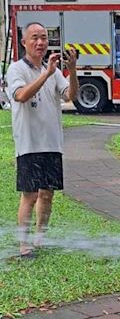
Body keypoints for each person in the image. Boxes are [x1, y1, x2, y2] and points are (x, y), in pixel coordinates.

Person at [6, 22, 78, 258]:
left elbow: (70, 96)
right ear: (24, 42)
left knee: (47, 194)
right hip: (29, 143)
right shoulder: (16, 69)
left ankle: (40, 240)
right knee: (30, 194)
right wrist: (46, 73)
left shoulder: (54, 70)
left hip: (52, 142)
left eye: (44, 38)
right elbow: (21, 96)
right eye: (35, 38)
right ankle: (24, 245)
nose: (40, 43)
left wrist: (73, 69)